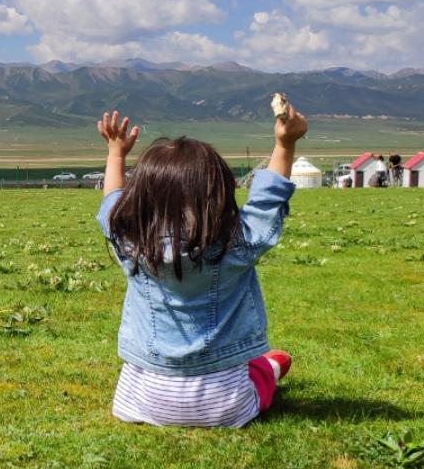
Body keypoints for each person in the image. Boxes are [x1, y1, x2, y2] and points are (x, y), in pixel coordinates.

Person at [95, 103, 307, 428]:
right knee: (264, 371)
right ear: (218, 193)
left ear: (140, 197)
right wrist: (285, 143)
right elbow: (268, 201)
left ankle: (267, 367)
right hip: (225, 405)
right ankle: (270, 368)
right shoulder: (238, 243)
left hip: (142, 401)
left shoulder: (129, 241)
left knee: (260, 367)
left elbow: (112, 201)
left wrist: (116, 154)